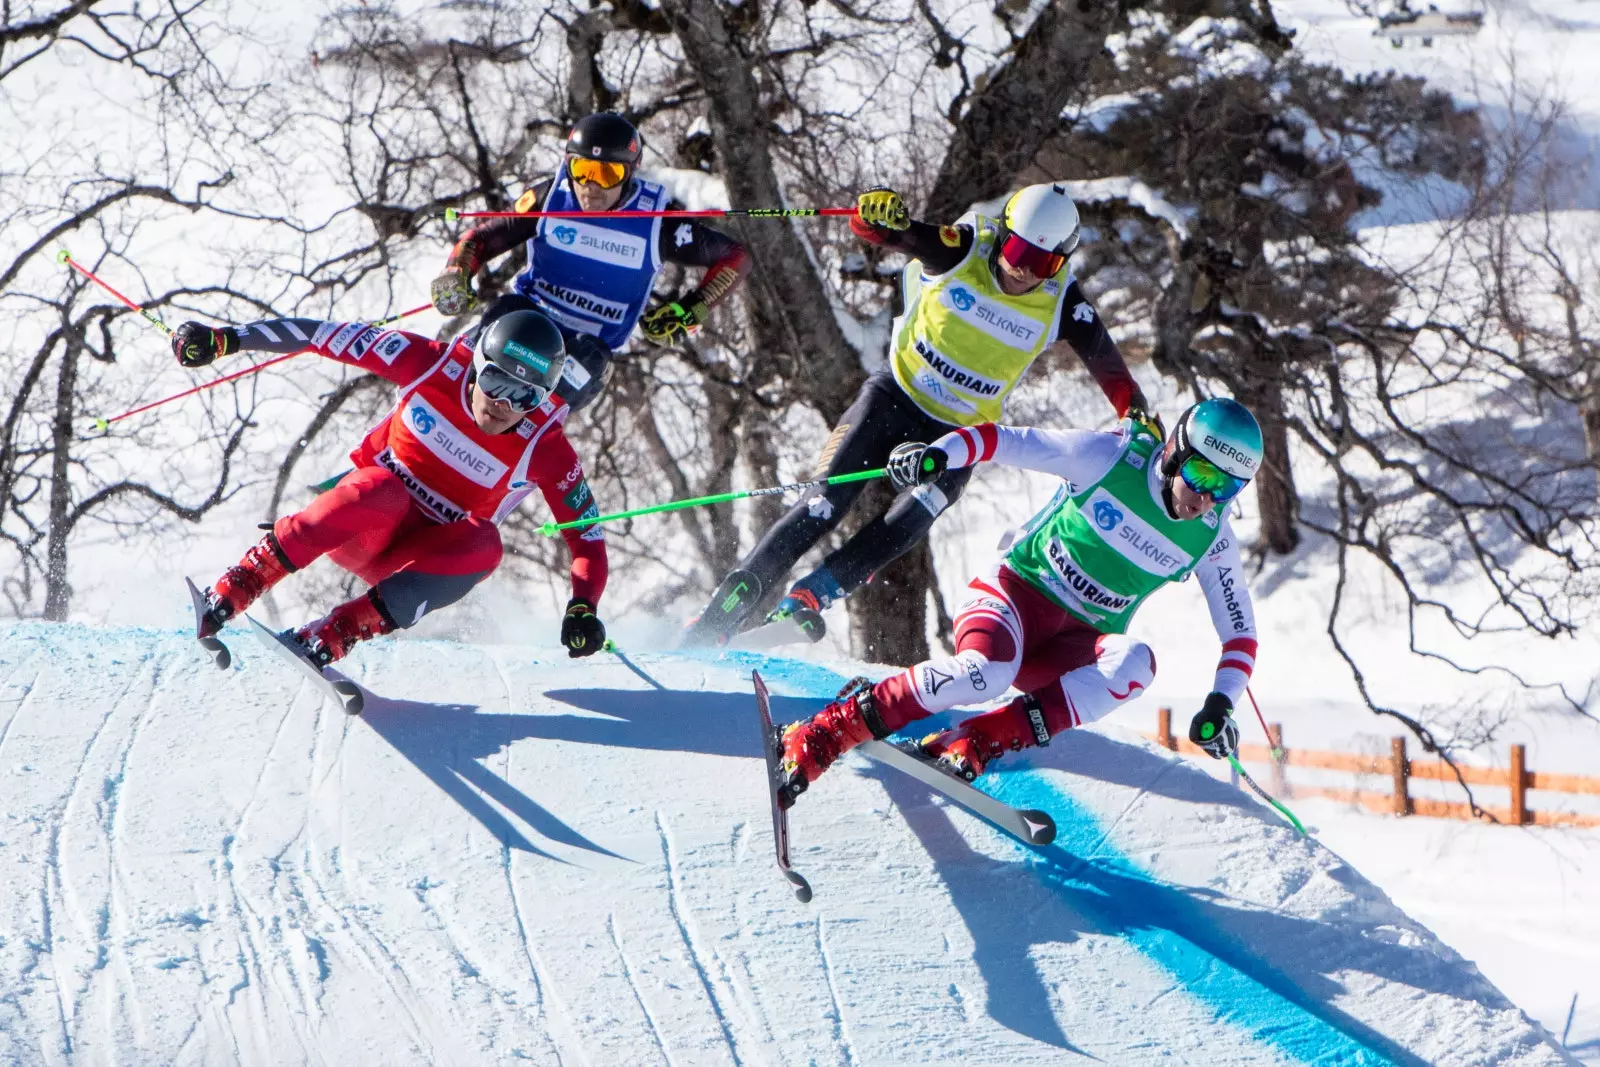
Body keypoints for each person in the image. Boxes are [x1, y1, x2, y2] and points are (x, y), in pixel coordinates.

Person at [682, 182, 1162, 647]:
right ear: (1003, 235)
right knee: (822, 504)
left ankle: (810, 595)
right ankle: (723, 611)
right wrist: (878, 218)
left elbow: (1112, 372)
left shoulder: (1062, 301)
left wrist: (1136, 416)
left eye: (1046, 262)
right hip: (893, 398)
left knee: (909, 521)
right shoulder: (964, 250)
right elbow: (887, 233)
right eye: (1018, 254)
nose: (1026, 272)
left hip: (957, 435)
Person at [773, 398, 1263, 808]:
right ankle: (826, 731)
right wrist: (938, 455)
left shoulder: (1211, 538)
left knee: (1137, 663)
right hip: (1013, 595)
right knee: (986, 673)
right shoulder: (1109, 458)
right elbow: (1003, 439)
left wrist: (1221, 703)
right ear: (1176, 452)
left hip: (1069, 645)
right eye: (1201, 474)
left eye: (1228, 487)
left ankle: (980, 739)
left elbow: (1239, 631)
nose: (1207, 497)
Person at [174, 308, 610, 665]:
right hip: (360, 523)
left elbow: (586, 536)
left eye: (526, 397)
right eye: (497, 382)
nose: (504, 404)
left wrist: (583, 607)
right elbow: (319, 334)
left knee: (486, 545)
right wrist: (227, 338)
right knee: (386, 490)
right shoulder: (430, 363)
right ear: (477, 367)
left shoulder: (546, 446)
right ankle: (239, 585)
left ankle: (338, 631)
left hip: (410, 561)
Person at [429, 111, 751, 410]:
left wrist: (690, 310)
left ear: (629, 173)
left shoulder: (657, 221)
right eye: (582, 171)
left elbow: (735, 257)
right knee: (495, 324)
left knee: (585, 363)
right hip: (526, 319)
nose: (591, 187)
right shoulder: (550, 199)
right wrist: (456, 271)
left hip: (583, 347)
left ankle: (520, 444)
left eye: (608, 174)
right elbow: (480, 239)